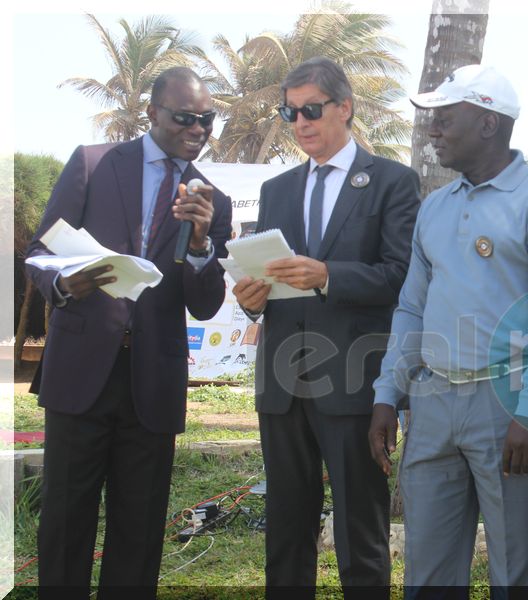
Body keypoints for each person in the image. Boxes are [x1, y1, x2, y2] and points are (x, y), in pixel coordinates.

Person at [368, 64, 528, 594]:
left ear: (489, 123)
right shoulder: (436, 207)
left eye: (445, 117)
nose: (433, 129)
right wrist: (387, 392)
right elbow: (412, 307)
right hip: (433, 400)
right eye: (432, 119)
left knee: (515, 567)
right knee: (429, 568)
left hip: (507, 401)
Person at [25, 66, 232, 596]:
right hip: (81, 375)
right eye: (185, 117)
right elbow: (41, 255)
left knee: (139, 533)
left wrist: (203, 243)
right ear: (152, 113)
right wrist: (70, 283)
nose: (198, 128)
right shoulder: (93, 165)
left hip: (153, 383)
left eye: (207, 119)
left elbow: (206, 305)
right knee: (66, 523)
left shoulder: (214, 201)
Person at [231, 57, 420, 596]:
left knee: (360, 531)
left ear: (345, 108)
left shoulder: (392, 182)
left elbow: (402, 276)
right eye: (289, 113)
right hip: (282, 384)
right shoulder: (278, 190)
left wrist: (328, 275)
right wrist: (251, 300)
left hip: (353, 382)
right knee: (286, 532)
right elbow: (270, 281)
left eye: (311, 109)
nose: (300, 122)